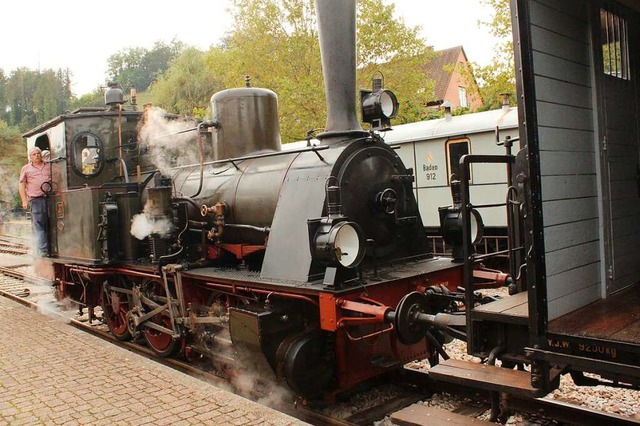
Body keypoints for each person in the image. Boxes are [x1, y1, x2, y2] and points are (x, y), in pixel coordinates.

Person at [18, 147, 52, 256]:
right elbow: (21, 184)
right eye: (33, 154)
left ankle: (53, 248)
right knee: (40, 225)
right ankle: (43, 250)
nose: (36, 155)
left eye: (38, 153)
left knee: (51, 224)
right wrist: (24, 200)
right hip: (36, 199)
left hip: (51, 198)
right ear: (30, 157)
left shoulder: (49, 166)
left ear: (41, 154)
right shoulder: (26, 168)